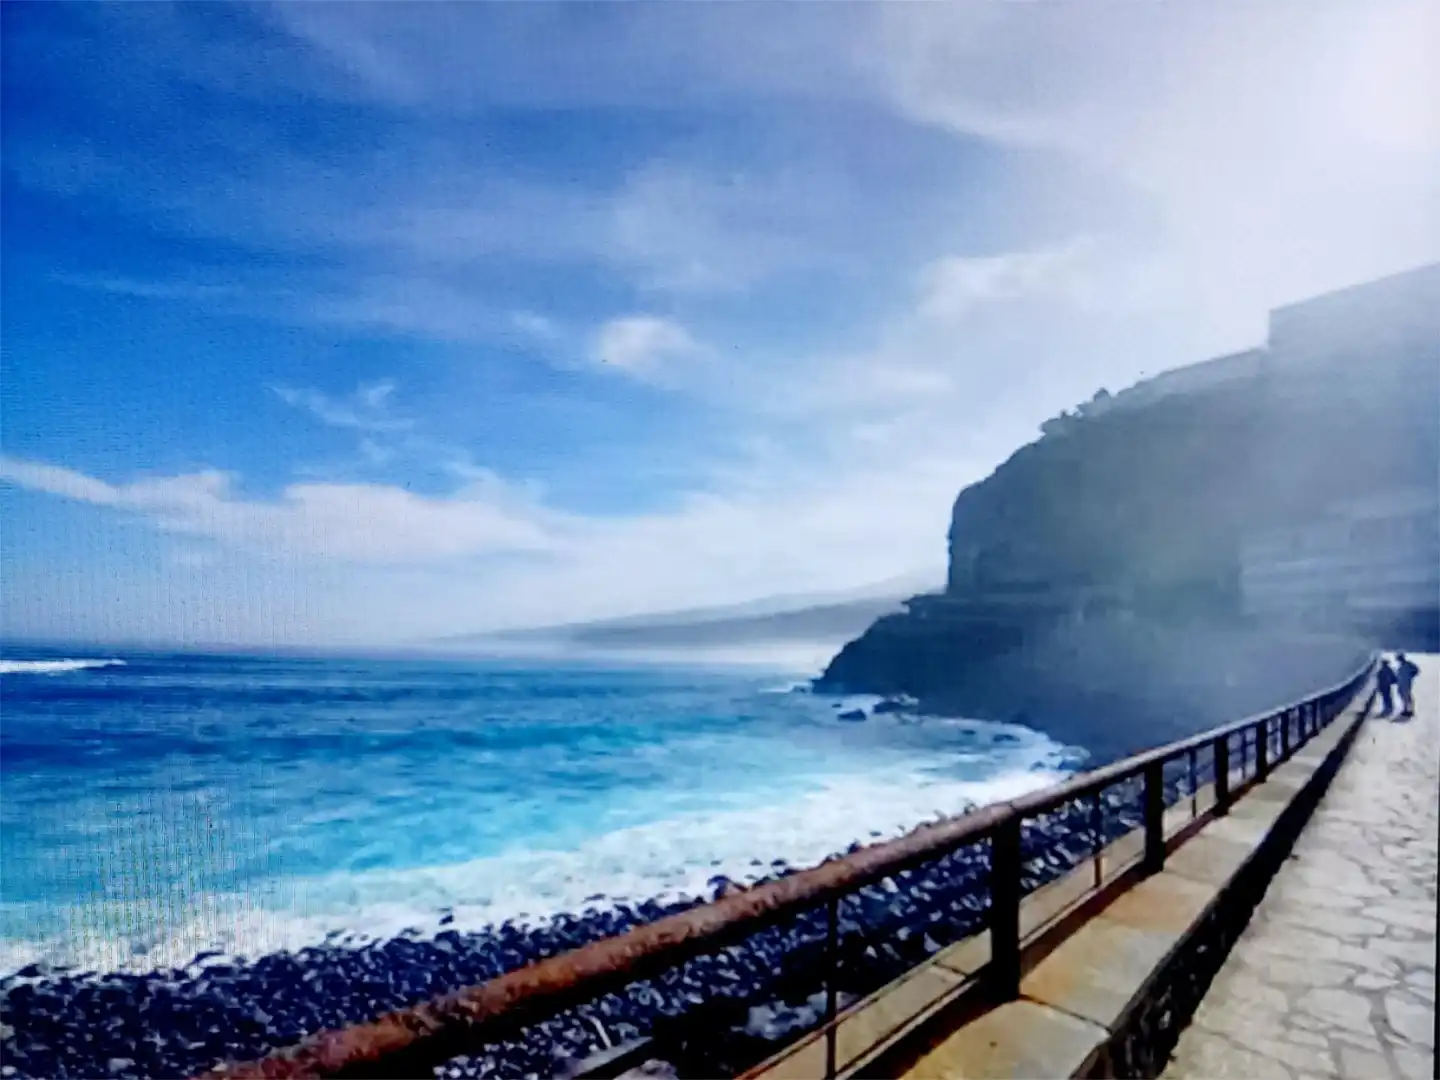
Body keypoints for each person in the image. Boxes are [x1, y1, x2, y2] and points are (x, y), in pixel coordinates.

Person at [1395, 652, 1419, 718]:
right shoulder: (1401, 665)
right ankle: (1405, 709)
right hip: (1401, 683)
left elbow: (1416, 670)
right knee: (1402, 695)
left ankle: (1410, 711)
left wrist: (1411, 675)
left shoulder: (1408, 664)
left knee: (1407, 696)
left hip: (1406, 683)